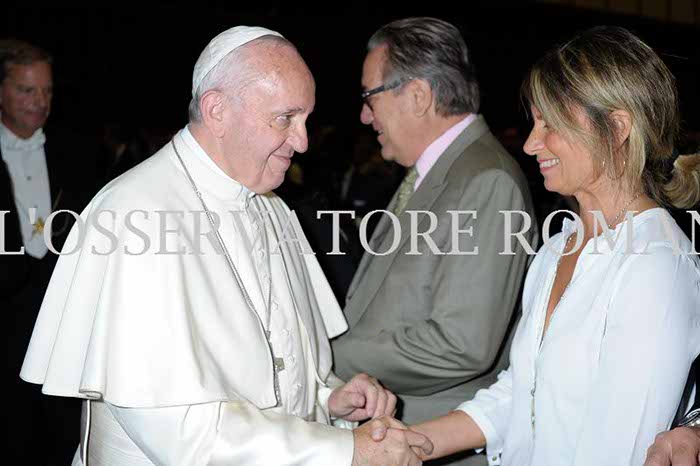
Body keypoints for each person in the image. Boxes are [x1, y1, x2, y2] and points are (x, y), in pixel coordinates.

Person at [19, 26, 433, 465]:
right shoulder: (133, 215)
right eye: (285, 119)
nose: (303, 141)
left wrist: (329, 399)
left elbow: (282, 362)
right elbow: (180, 433)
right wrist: (346, 451)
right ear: (217, 110)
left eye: (305, 120)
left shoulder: (271, 208)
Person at [369, 26, 700, 466]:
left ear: (617, 128)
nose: (530, 143)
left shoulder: (656, 265)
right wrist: (416, 441)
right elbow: (519, 393)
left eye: (551, 124)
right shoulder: (555, 249)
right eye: (534, 123)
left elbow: (614, 452)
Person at [331, 17, 536, 466]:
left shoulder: (486, 181)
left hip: (434, 447)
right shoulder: (440, 174)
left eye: (370, 97)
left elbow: (461, 343)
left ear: (419, 95)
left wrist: (326, 357)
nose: (365, 115)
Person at [1, 39, 94, 465]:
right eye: (26, 90)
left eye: (47, 91)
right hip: (2, 326)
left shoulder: (75, 152)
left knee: (61, 438)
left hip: (60, 327)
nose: (40, 103)